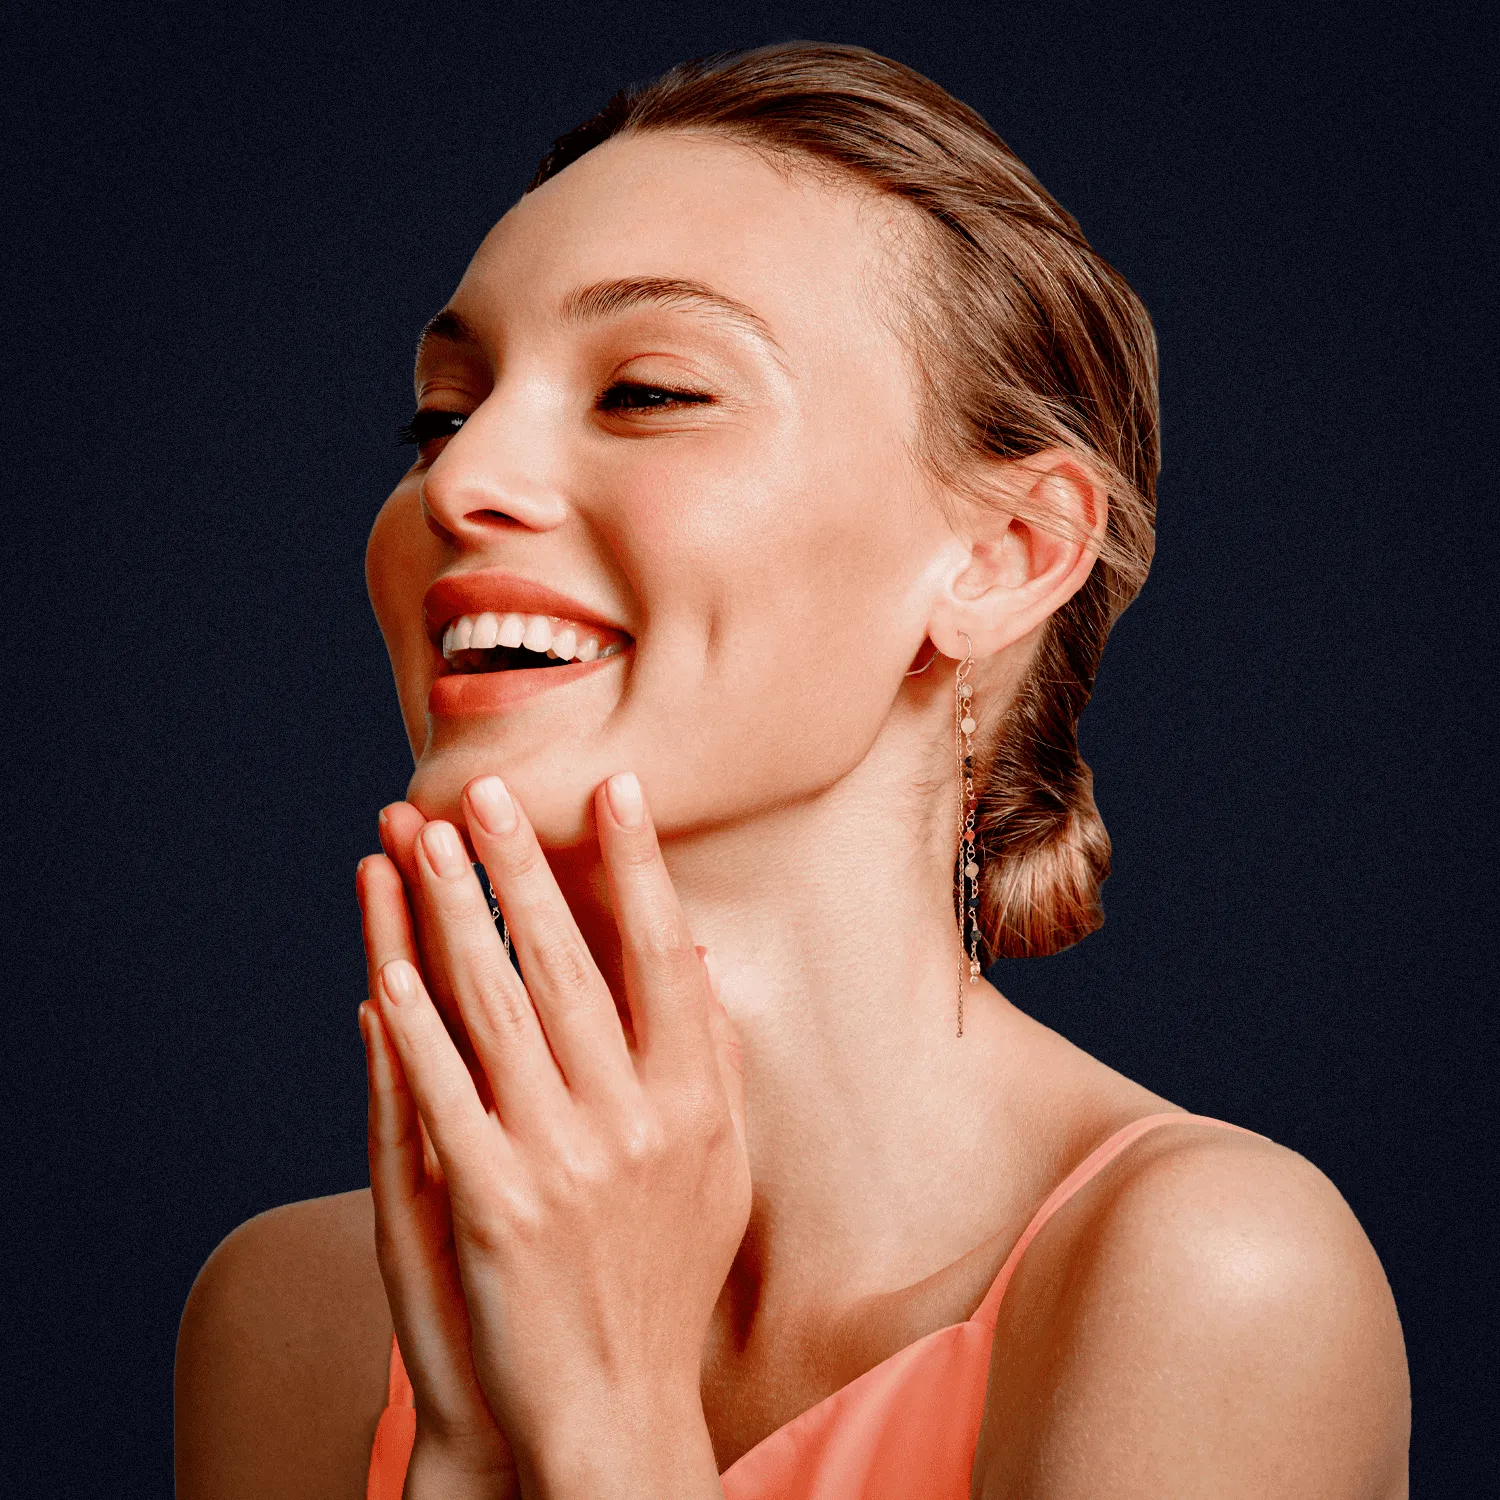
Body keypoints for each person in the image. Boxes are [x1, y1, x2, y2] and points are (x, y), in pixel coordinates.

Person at [173, 40, 1410, 1500]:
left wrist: (605, 1425)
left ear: (1005, 556)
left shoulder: (1213, 1278)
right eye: (442, 415)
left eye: (647, 391)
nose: (455, 483)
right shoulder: (294, 1316)